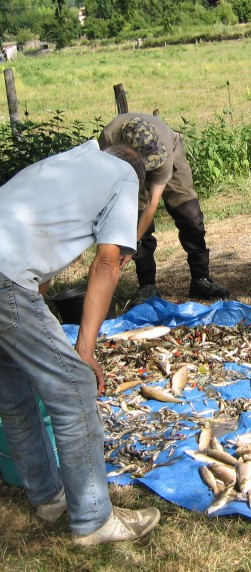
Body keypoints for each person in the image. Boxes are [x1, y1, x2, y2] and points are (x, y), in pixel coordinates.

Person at [0, 140, 161, 546]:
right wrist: (84, 352)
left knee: (14, 392)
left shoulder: (71, 161)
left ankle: (49, 498)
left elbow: (38, 242)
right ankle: (93, 521)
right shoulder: (124, 177)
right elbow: (108, 261)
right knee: (74, 387)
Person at [99, 112, 229, 305]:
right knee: (137, 219)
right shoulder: (108, 141)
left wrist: (131, 243)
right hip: (129, 167)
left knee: (190, 214)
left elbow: (153, 202)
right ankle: (147, 287)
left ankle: (201, 280)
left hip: (171, 157)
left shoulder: (162, 150)